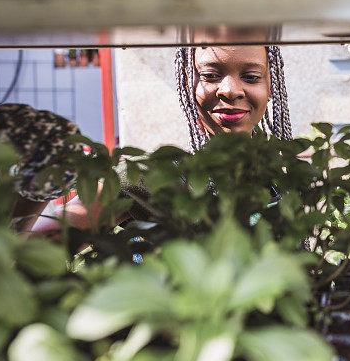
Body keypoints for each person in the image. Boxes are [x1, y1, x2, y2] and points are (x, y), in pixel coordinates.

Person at [26, 26, 292, 234]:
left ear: (271, 87)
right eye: (211, 75)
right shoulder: (152, 176)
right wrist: (32, 183)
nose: (230, 90)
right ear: (188, 83)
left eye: (252, 77)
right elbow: (35, 250)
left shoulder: (290, 176)